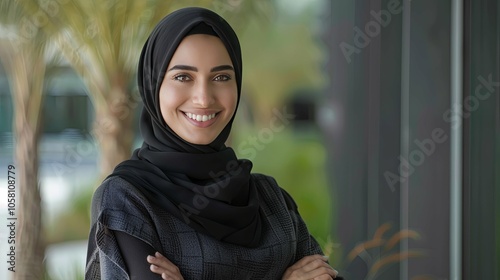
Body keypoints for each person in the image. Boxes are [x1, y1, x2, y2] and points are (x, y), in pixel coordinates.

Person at [85, 7, 341, 280]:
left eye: (221, 77)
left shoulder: (271, 198)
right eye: (183, 77)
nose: (204, 98)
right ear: (153, 84)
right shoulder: (128, 199)